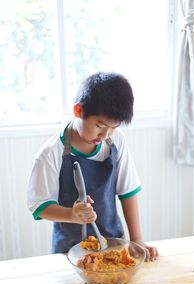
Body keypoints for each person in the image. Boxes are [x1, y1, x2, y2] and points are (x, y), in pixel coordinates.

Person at [27, 72, 158, 261]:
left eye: (114, 127)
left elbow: (127, 192)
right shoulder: (50, 153)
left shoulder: (116, 141)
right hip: (68, 252)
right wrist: (72, 214)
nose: (106, 135)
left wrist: (136, 240)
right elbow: (39, 205)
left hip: (113, 246)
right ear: (78, 111)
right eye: (99, 125)